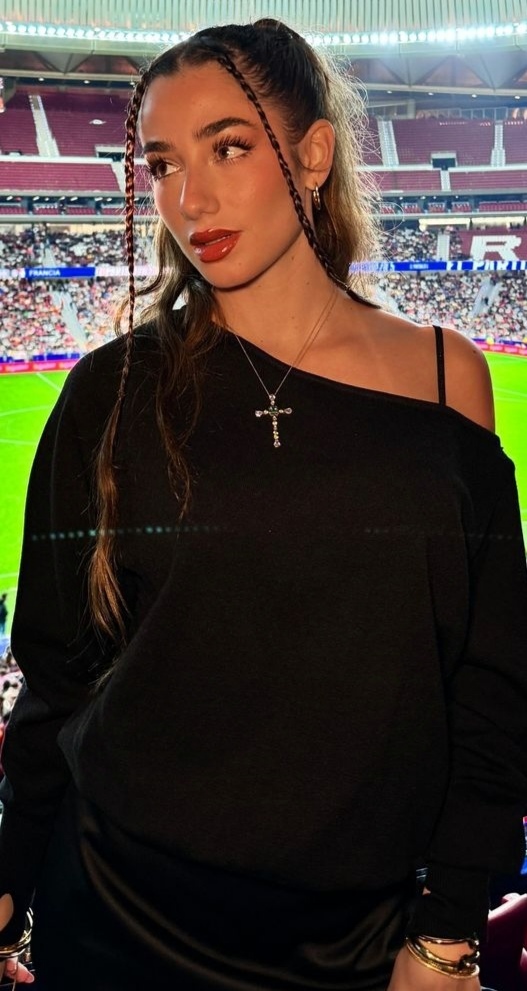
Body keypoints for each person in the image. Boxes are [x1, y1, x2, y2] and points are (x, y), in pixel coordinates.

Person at [0, 18, 526, 991]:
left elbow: (488, 683)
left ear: (313, 155)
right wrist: (7, 886)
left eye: (228, 147)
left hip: (354, 942)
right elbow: (56, 676)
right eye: (162, 163)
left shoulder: (448, 379)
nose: (188, 197)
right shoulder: (107, 392)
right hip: (112, 920)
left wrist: (446, 933)